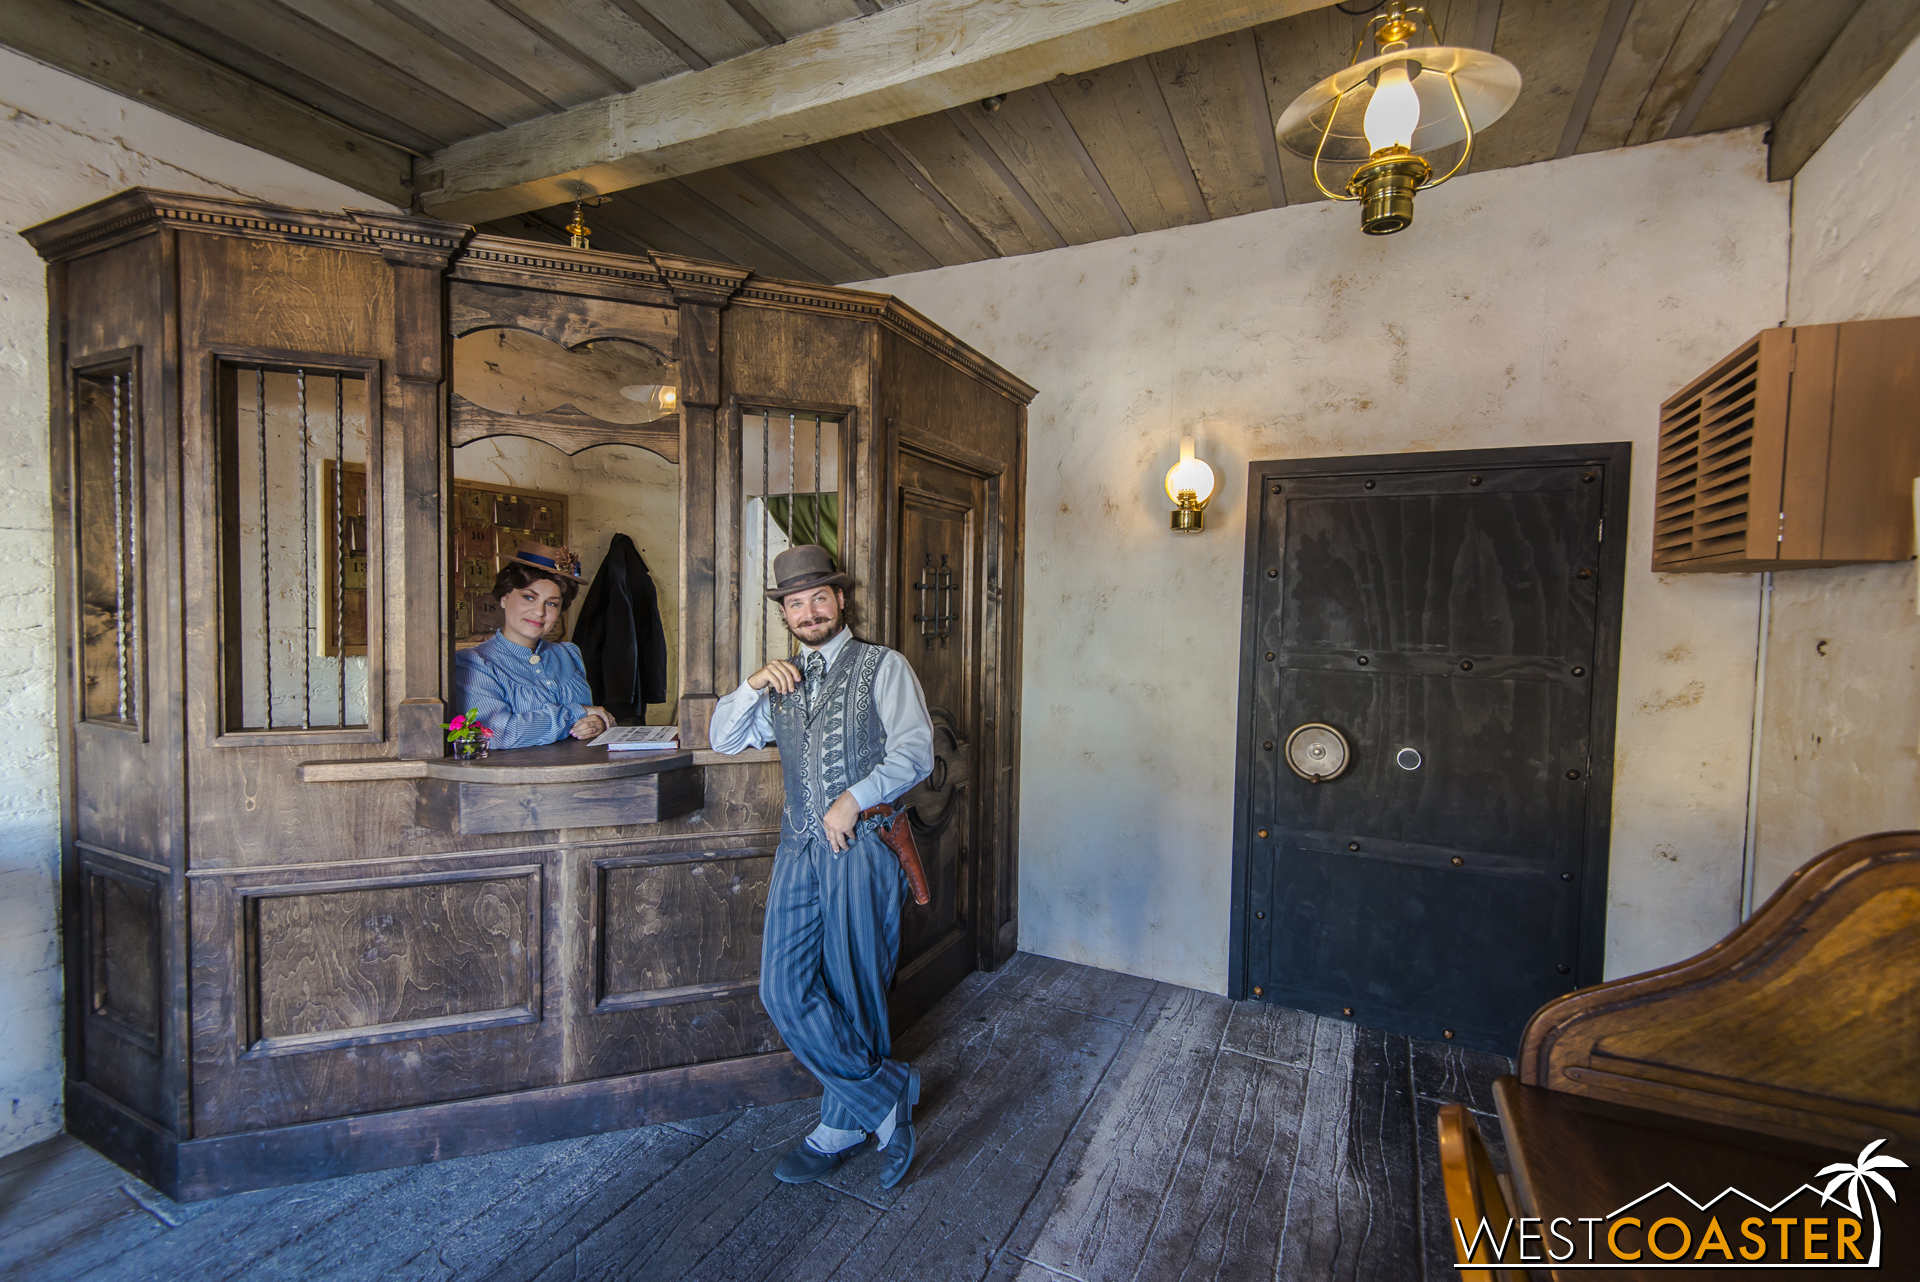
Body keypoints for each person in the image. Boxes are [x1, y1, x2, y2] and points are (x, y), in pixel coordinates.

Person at [709, 544, 934, 1190]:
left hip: (861, 847)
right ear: (785, 615)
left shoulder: (881, 666)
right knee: (782, 988)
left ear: (840, 601)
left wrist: (853, 798)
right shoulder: (782, 681)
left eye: (818, 598)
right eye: (795, 604)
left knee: (855, 989)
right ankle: (886, 1096)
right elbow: (723, 737)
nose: (808, 612)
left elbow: (916, 753)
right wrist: (752, 683)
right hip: (798, 851)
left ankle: (841, 1126)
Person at [452, 542, 614, 750]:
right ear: (504, 598)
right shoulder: (474, 662)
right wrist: (576, 712)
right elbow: (497, 733)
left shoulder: (568, 653)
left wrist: (597, 725)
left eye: (551, 603)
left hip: (582, 776)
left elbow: (594, 715)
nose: (539, 612)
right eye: (529, 597)